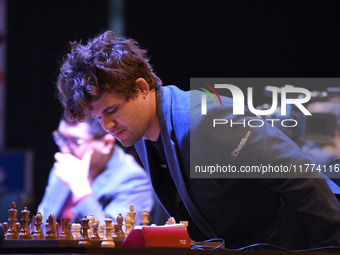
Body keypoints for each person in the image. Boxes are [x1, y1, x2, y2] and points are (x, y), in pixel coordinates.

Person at [55, 30, 340, 250]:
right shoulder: (138, 130)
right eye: (98, 118)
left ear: (141, 88)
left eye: (112, 110)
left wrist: (333, 245)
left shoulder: (205, 118)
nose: (107, 126)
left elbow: (298, 174)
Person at [37, 115, 154, 226]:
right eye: (61, 138)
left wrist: (80, 189)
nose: (65, 149)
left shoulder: (133, 180)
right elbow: (41, 224)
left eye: (76, 142)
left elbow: (114, 239)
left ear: (106, 143)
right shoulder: (65, 167)